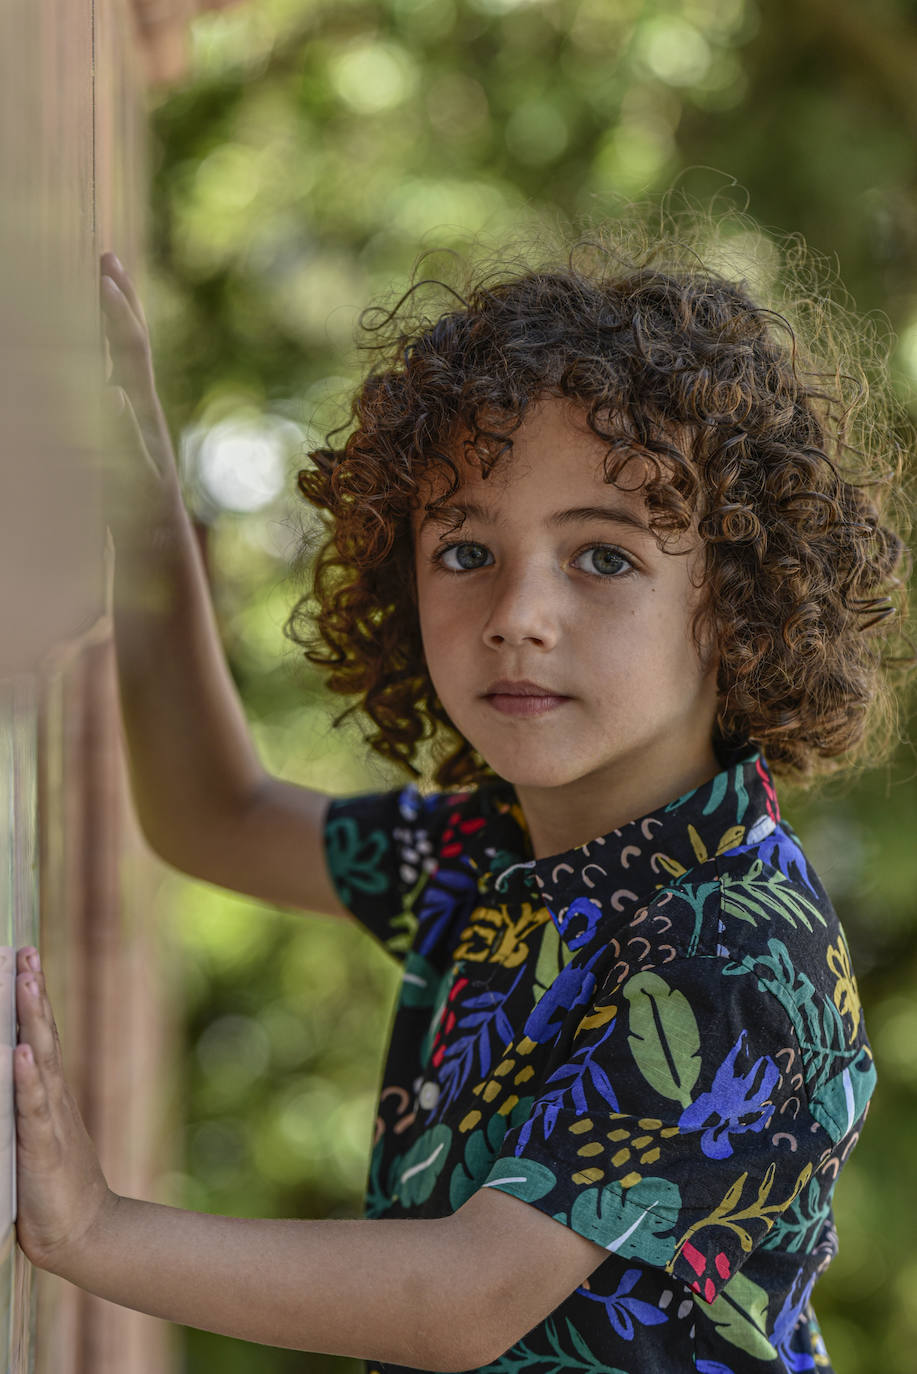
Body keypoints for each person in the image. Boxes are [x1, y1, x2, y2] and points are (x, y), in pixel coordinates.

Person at [13, 204, 914, 1374]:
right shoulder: (492, 854)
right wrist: (137, 513)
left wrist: (95, 1231)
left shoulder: (741, 949)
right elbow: (216, 820)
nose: (516, 617)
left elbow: (462, 1299)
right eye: (463, 550)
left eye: (603, 556)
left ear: (734, 606)